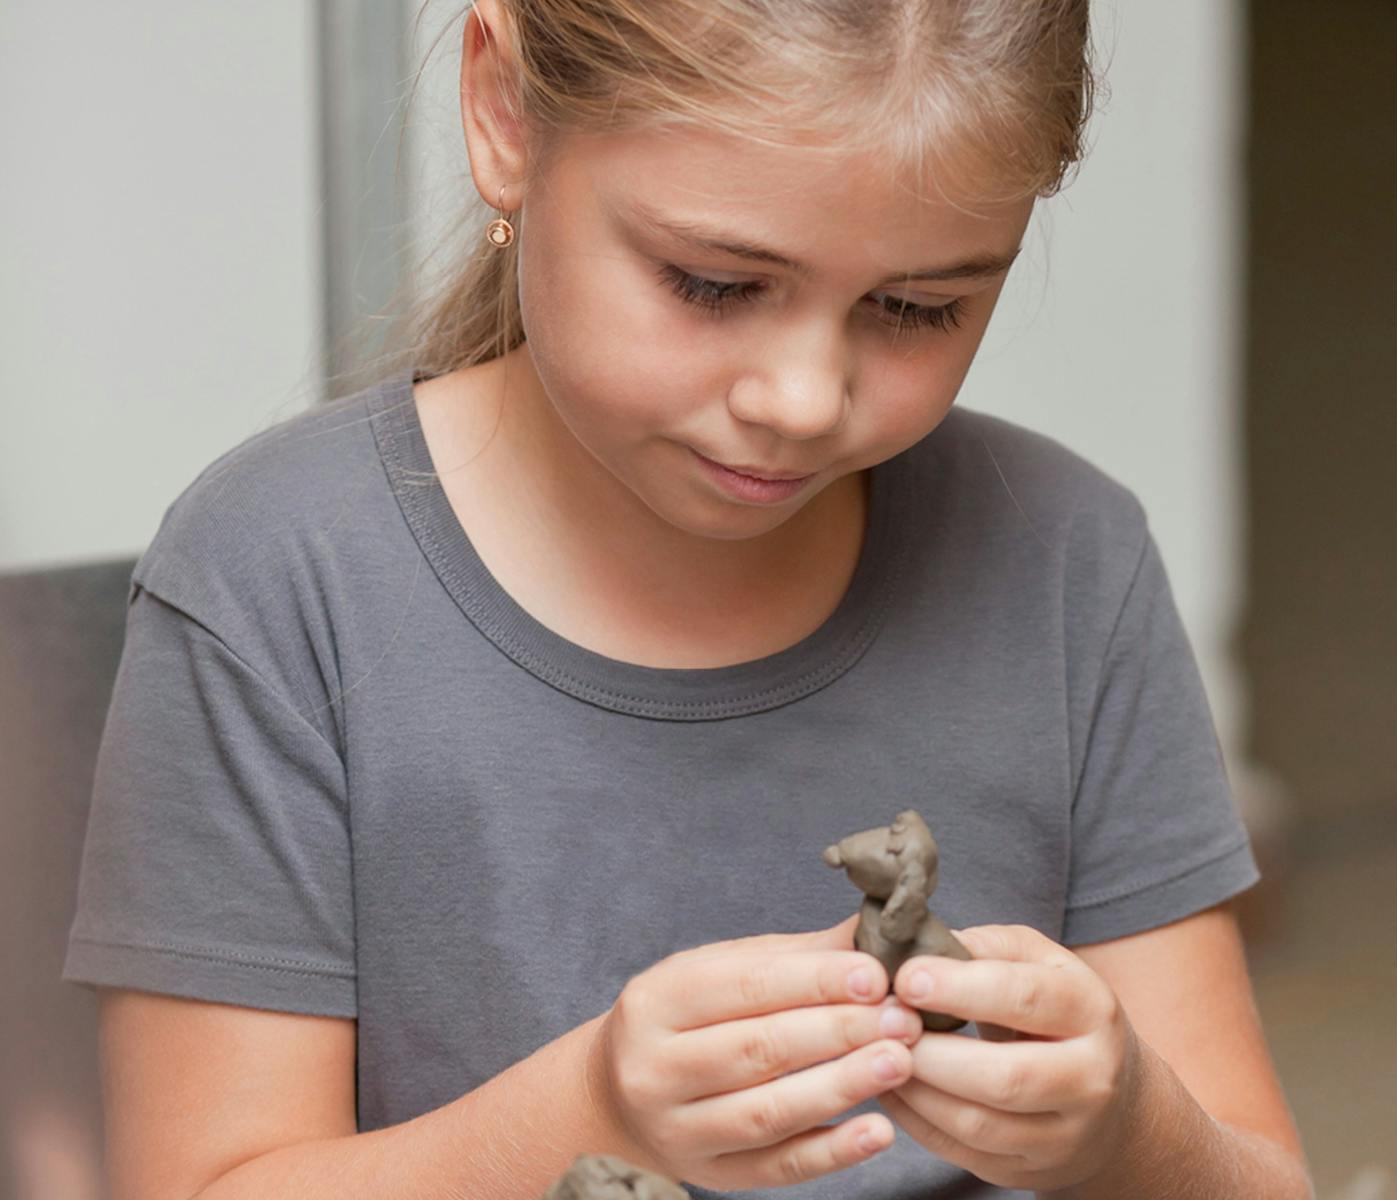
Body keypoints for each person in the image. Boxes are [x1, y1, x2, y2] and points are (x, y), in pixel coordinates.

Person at [61, 2, 1312, 1197]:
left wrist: (1123, 1125)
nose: (803, 397)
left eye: (919, 307)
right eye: (714, 284)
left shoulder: (1063, 560)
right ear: (502, 109)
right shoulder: (283, 577)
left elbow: (1257, 1177)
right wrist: (588, 1116)